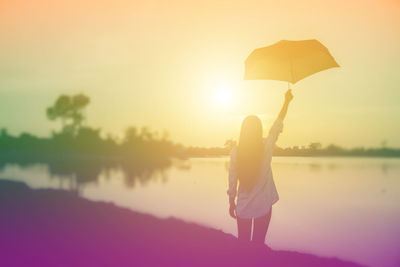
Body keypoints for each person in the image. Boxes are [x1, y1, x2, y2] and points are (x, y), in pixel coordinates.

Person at [227, 89, 293, 244]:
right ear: (259, 130)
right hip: (263, 206)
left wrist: (231, 202)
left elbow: (232, 178)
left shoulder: (236, 152)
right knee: (258, 245)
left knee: (243, 245)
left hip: (243, 206)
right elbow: (277, 125)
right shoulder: (266, 146)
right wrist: (286, 101)